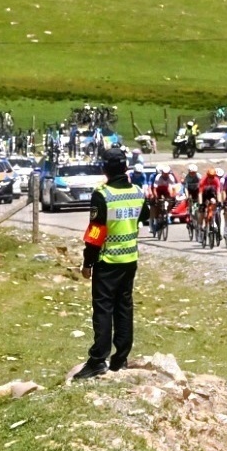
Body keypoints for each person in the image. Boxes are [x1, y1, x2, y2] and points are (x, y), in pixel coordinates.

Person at [74, 146, 144, 379]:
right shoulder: (137, 192)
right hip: (130, 259)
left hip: (108, 260)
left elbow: (96, 232)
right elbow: (144, 217)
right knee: (124, 307)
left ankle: (98, 360)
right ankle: (120, 359)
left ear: (105, 169)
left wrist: (88, 262)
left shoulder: (102, 195)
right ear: (125, 167)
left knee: (103, 309)